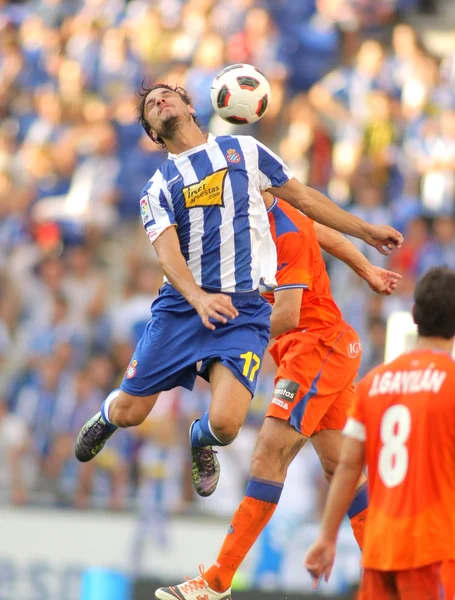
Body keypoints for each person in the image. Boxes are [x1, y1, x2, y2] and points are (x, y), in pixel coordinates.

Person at [74, 83, 402, 503]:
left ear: (191, 106)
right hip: (181, 309)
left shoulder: (246, 153)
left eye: (165, 95)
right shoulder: (157, 188)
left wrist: (366, 232)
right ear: (154, 135)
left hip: (242, 308)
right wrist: (197, 298)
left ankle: (201, 437)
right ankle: (106, 416)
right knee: (131, 412)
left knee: (227, 425)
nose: (158, 102)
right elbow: (167, 254)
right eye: (150, 106)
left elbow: (303, 204)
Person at [154, 192, 401, 600]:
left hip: (316, 347)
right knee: (342, 468)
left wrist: (228, 339)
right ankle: (394, 578)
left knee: (268, 455)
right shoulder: (251, 219)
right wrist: (367, 270)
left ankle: (217, 582)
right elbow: (323, 230)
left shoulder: (285, 230)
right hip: (311, 349)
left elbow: (286, 313)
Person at [305, 265, 455, 600]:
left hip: (380, 550)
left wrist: (327, 537)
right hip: (434, 550)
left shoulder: (373, 384)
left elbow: (347, 467)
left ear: (414, 315)